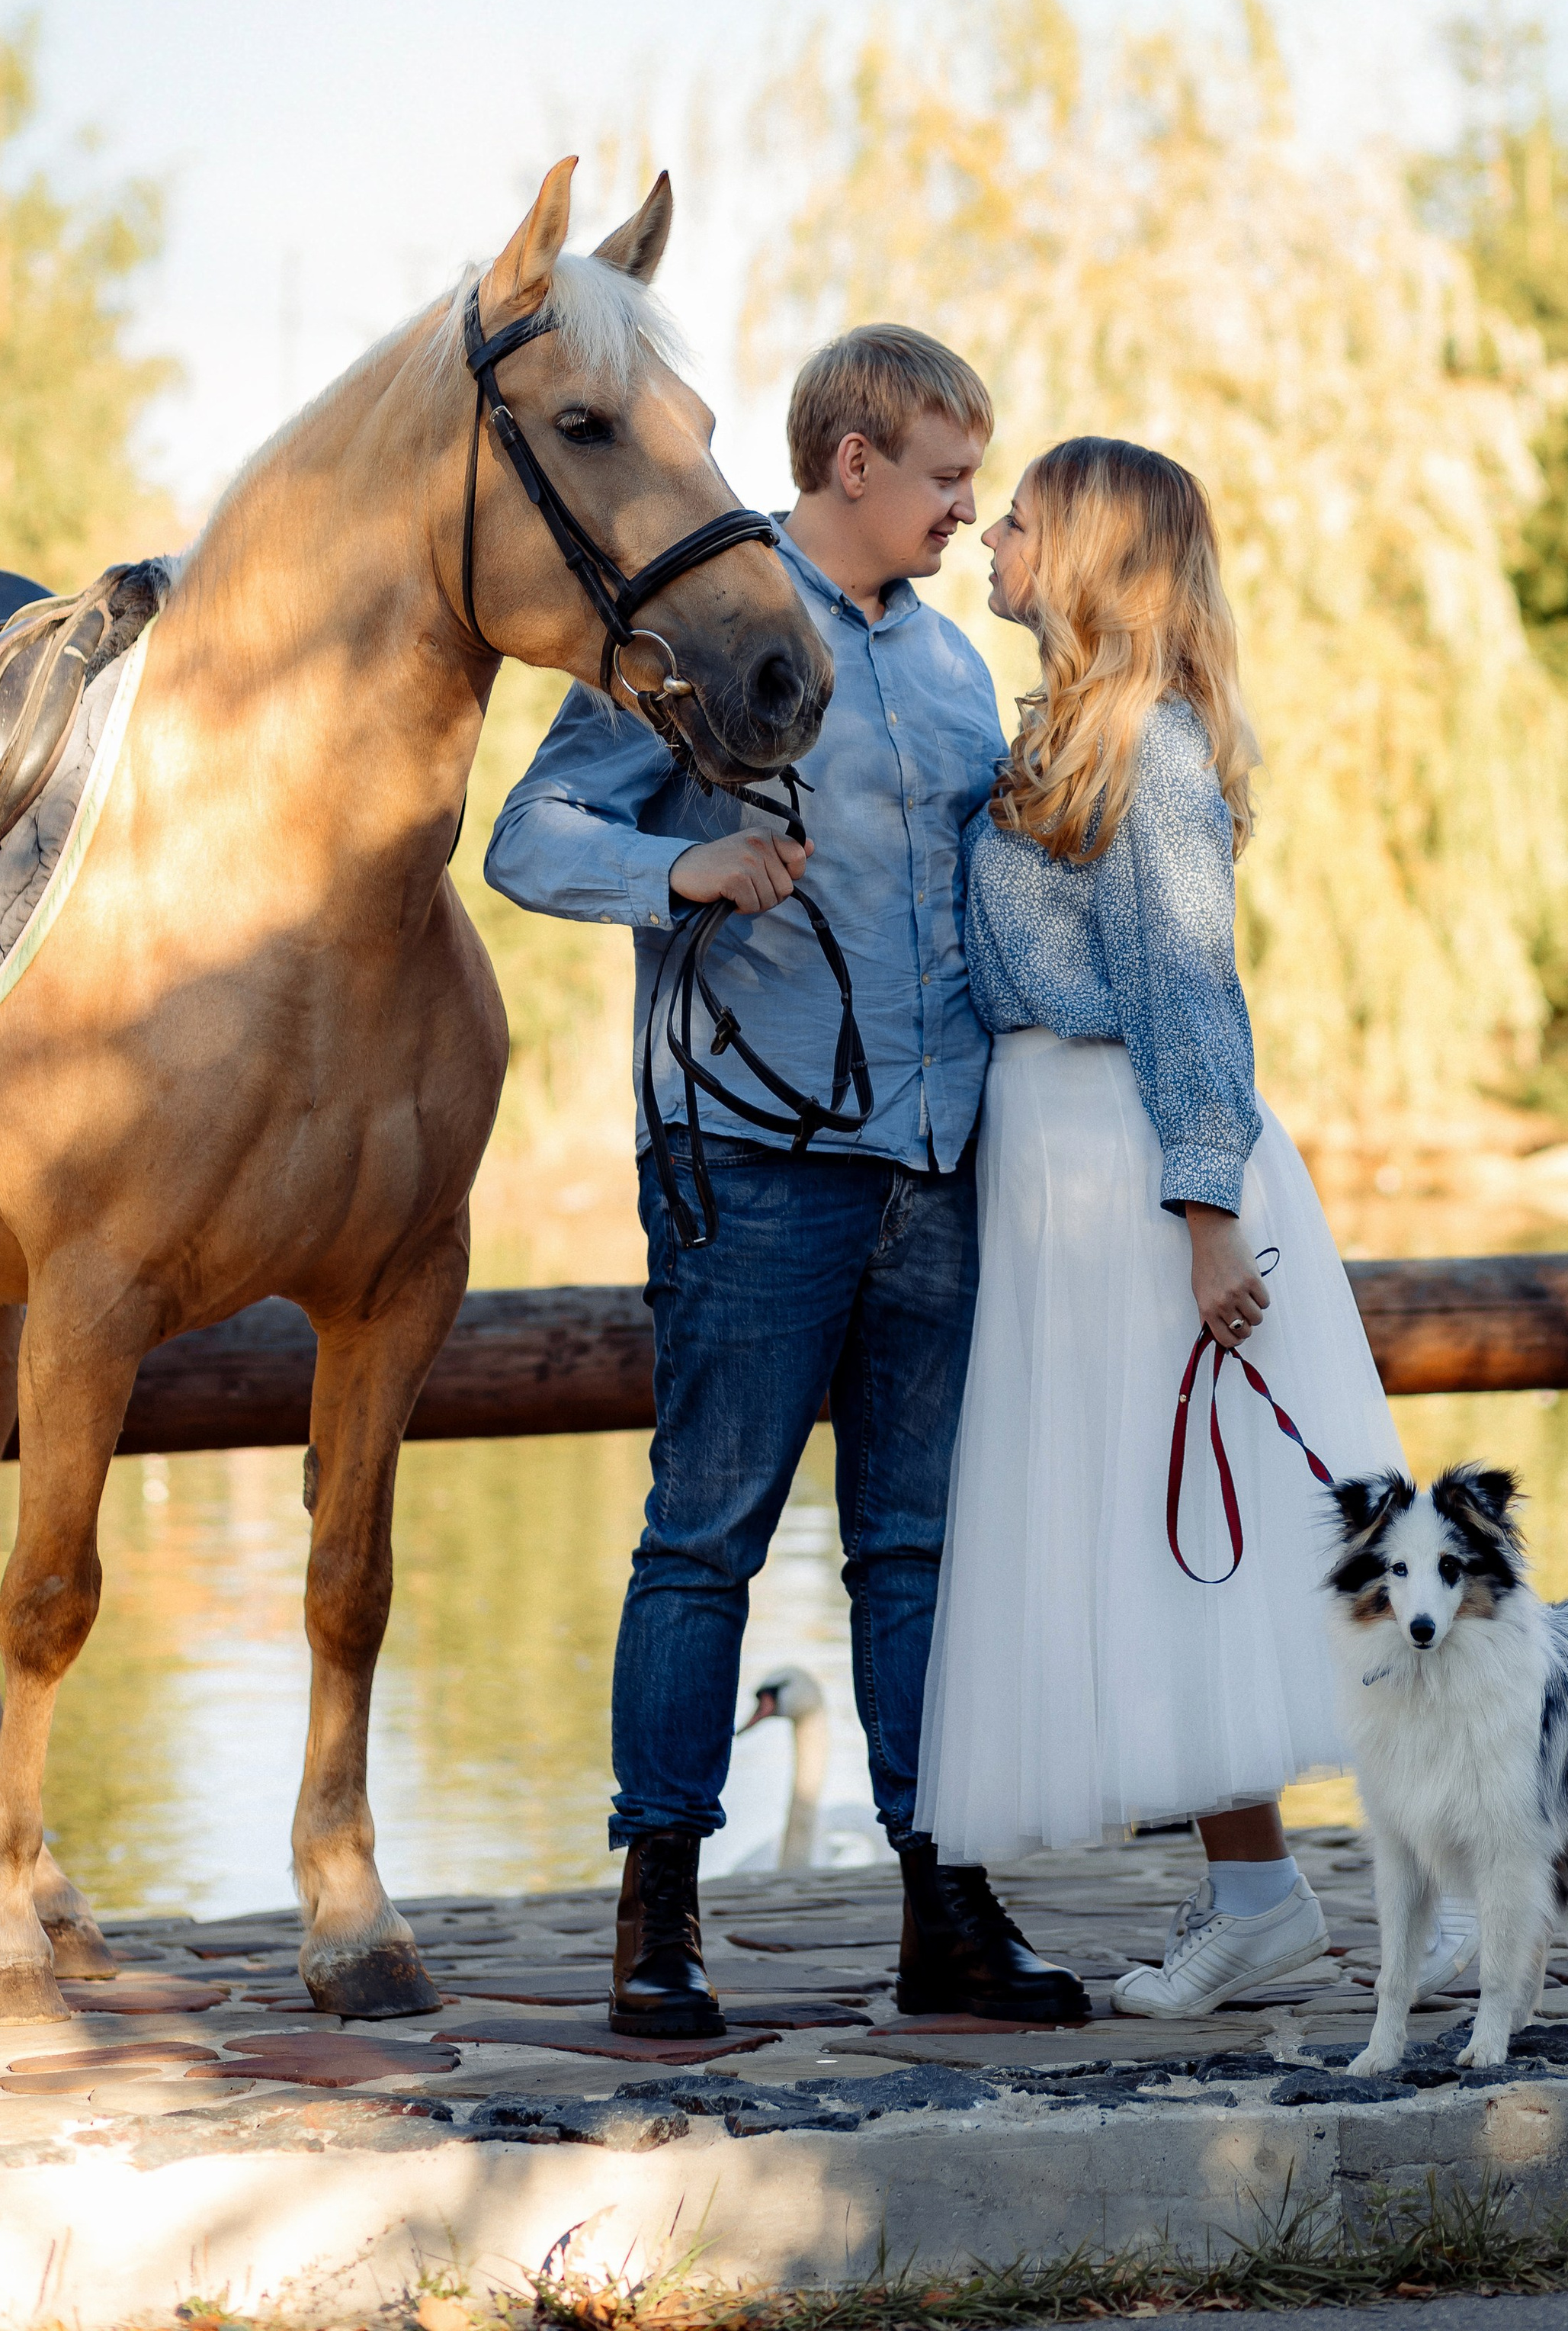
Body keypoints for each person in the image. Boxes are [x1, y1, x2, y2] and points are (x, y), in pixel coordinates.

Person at [485, 326, 1088, 2039]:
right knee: (705, 1544)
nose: (966, 511)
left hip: (935, 1167)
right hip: (750, 1166)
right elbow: (525, 838)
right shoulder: (703, 624)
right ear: (852, 462)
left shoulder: (955, 671)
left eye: (975, 484)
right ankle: (658, 1914)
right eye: (946, 479)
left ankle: (943, 1908)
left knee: (915, 1551)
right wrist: (684, 869)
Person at [915, 437, 1473, 2018]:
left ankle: (1451, 1886)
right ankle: (1256, 1899)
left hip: (1142, 1173)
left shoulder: (1150, 749)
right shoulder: (1060, 736)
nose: (991, 538)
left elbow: (1186, 991)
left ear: (1088, 555)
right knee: (1163, 1552)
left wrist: (1207, 1211)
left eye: (1020, 520)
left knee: (1256, 1539)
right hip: (1060, 1178)